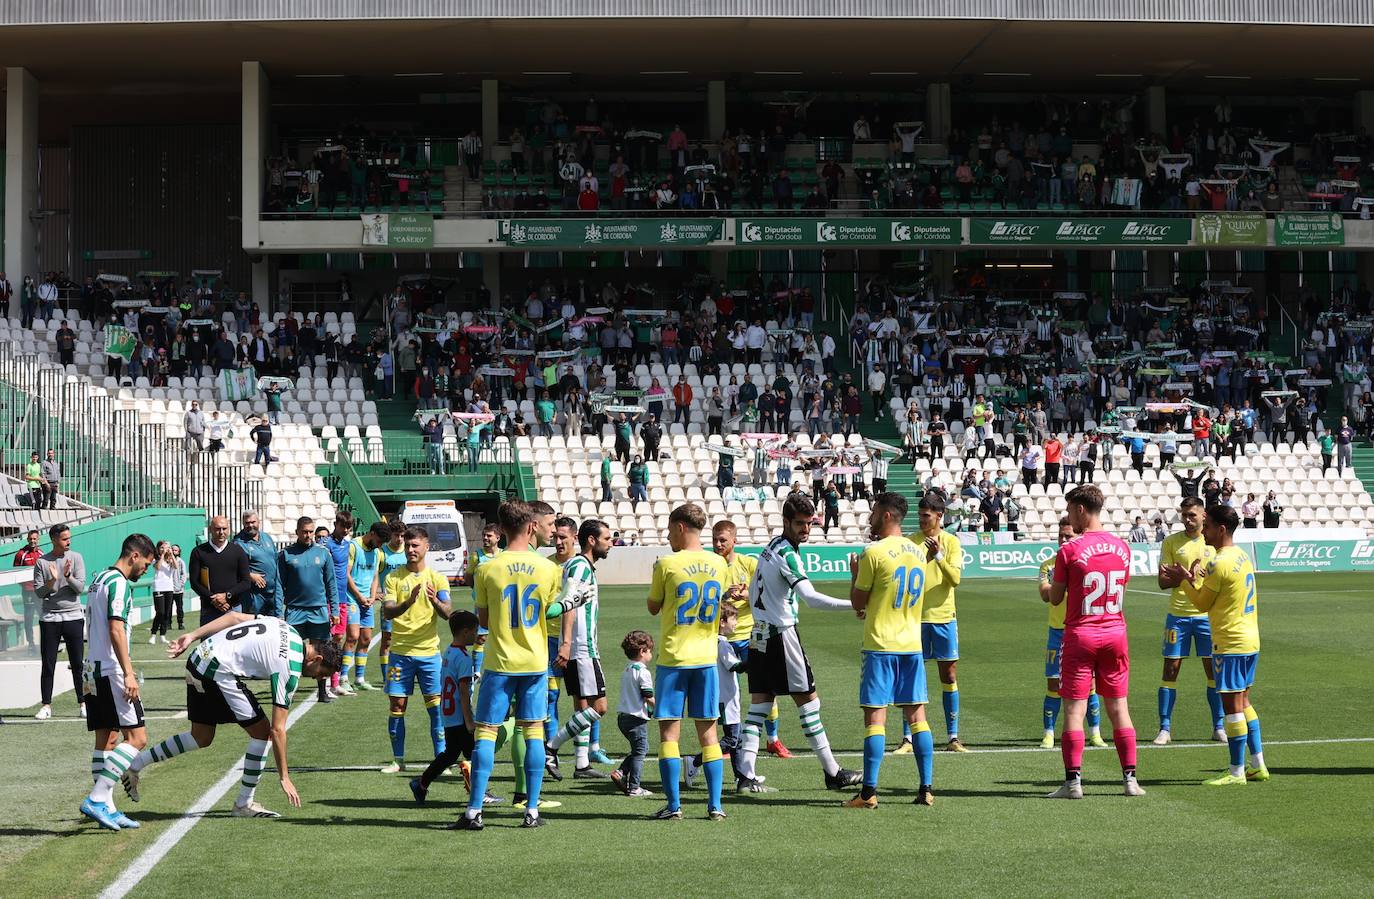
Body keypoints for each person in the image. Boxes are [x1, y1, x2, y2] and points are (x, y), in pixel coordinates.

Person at [119, 610, 343, 819]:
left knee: (201, 736)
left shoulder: (285, 626)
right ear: (317, 660)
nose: (318, 679)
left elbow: (235, 617)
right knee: (262, 733)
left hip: (199, 657)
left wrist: (192, 635)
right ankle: (244, 803)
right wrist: (284, 777)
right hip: (215, 670)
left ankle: (135, 765)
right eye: (321, 674)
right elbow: (278, 729)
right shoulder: (290, 667)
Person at [456, 501, 584, 830]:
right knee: (533, 732)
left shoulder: (487, 568)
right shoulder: (548, 569)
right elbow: (552, 611)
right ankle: (532, 811)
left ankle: (474, 811)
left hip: (499, 661)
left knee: (486, 733)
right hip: (534, 662)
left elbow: (483, 619)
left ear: (501, 530)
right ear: (529, 528)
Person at [732, 494, 861, 793]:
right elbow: (811, 598)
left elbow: (755, 591)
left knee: (760, 707)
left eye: (809, 524)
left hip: (759, 635)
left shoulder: (771, 547)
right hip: (781, 635)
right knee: (809, 702)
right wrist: (853, 606)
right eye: (800, 524)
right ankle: (833, 772)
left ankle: (745, 776)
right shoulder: (787, 554)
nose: (805, 530)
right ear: (786, 522)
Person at [1047, 485, 1144, 799]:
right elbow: (1122, 593)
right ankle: (1130, 780)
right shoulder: (1122, 547)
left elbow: (1056, 597)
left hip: (1081, 634)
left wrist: (1044, 585)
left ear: (1079, 509)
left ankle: (1073, 783)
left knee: (1074, 711)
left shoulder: (1069, 550)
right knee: (1119, 709)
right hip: (1115, 631)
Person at [1163, 503, 1267, 785]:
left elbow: (1200, 604)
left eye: (1207, 526)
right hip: (1250, 639)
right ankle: (1258, 764)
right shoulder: (1242, 556)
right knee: (1244, 702)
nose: (1204, 531)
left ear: (1221, 529)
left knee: (1232, 707)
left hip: (1230, 643)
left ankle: (1236, 772)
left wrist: (1183, 580)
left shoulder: (1218, 562)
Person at [845, 492, 935, 808]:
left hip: (881, 645)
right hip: (911, 645)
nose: (870, 515)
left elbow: (858, 602)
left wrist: (855, 575)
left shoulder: (874, 552)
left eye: (874, 510)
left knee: (875, 720)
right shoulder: (919, 552)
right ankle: (926, 788)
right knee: (918, 718)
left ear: (886, 515)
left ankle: (868, 793)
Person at [644, 503, 729, 822]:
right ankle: (715, 805)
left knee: (669, 735)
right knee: (709, 734)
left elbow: (653, 607)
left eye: (668, 530)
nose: (667, 536)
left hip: (674, 659)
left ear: (680, 527)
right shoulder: (718, 564)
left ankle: (674, 805)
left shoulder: (667, 564)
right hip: (706, 660)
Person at [77, 533, 156, 831]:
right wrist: (129, 672)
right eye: (146, 564)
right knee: (137, 738)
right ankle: (98, 799)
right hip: (111, 671)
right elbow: (116, 628)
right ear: (134, 556)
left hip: (91, 669)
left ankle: (106, 809)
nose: (145, 570)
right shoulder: (119, 582)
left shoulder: (99, 579)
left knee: (106, 740)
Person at [380, 525, 452, 775]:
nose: (410, 550)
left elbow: (448, 613)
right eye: (407, 545)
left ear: (426, 547)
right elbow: (387, 610)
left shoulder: (437, 578)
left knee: (436, 708)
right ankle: (398, 760)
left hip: (429, 654)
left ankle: (441, 761)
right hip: (400, 653)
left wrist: (435, 601)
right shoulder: (393, 578)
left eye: (415, 545)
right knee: (397, 706)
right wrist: (408, 602)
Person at [545, 519, 614, 779]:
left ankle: (582, 763)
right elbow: (568, 603)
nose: (611, 544)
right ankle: (551, 746)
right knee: (600, 707)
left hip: (582, 647)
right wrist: (566, 643)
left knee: (582, 705)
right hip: (582, 648)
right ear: (591, 540)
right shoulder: (580, 566)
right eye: (606, 539)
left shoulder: (582, 566)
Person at [1154, 497, 1226, 745]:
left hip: (1207, 616)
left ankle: (1218, 726)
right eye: (1184, 515)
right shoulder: (1172, 542)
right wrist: (1184, 577)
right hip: (1178, 617)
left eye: (1192, 515)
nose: (1187, 519)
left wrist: (1203, 576)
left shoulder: (1213, 542)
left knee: (1213, 672)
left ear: (1203, 515)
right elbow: (1163, 582)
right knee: (1170, 669)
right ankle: (1164, 728)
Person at [713, 520, 787, 758]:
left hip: (750, 635)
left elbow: (768, 591)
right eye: (715, 539)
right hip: (720, 639)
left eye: (723, 540)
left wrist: (748, 594)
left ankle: (773, 739)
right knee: (723, 694)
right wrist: (723, 596)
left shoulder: (750, 563)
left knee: (766, 689)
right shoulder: (710, 566)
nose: (718, 544)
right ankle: (728, 739)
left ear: (734, 540)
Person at [903, 496, 966, 753]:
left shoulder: (951, 542)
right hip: (914, 619)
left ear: (939, 516)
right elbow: (906, 576)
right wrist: (926, 558)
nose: (921, 519)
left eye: (926, 515)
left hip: (943, 617)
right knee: (911, 676)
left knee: (948, 675)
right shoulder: (910, 541)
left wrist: (938, 555)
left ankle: (953, 737)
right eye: (920, 515)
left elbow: (955, 579)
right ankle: (907, 738)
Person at [1039, 516, 1106, 749]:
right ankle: (1048, 733)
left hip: (1081, 630)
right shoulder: (1048, 565)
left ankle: (1095, 733)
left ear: (1077, 535)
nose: (1064, 540)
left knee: (1090, 685)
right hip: (1057, 633)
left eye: (1069, 536)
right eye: (1061, 536)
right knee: (1053, 684)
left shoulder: (1084, 563)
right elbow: (1046, 594)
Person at [409, 610, 480, 804]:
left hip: (448, 714)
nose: (477, 635)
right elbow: (464, 692)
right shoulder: (464, 658)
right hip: (459, 716)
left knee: (450, 754)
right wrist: (469, 721)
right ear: (465, 632)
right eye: (474, 631)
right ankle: (479, 793)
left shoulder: (449, 652)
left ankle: (421, 784)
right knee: (476, 754)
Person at [278, 517, 340, 704]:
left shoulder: (323, 553)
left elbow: (331, 584)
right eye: (304, 531)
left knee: (322, 652)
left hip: (318, 611)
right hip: (295, 611)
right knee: (290, 653)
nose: (308, 535)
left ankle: (322, 692)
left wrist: (335, 609)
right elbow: (279, 585)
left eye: (311, 531)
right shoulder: (285, 554)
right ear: (297, 532)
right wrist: (278, 613)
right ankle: (287, 690)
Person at [32, 524, 88, 720]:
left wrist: (67, 577)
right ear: (54, 539)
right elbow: (39, 593)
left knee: (77, 664)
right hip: (49, 619)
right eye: (65, 539)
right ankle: (46, 705)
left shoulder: (77, 557)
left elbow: (80, 588)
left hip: (73, 616)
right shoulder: (41, 562)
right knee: (48, 664)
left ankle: (83, 703)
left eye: (69, 538)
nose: (68, 541)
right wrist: (51, 582)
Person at [343, 521, 389, 693]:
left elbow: (375, 576)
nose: (380, 544)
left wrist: (371, 596)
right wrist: (360, 596)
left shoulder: (377, 552)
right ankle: (343, 676)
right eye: (379, 540)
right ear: (371, 533)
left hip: (366, 600)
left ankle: (360, 678)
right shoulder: (354, 546)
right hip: (352, 598)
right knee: (353, 636)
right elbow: (346, 574)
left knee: (366, 639)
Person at [611, 630, 656, 798]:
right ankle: (634, 787)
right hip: (636, 718)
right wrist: (658, 708)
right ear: (642, 651)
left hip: (623, 717)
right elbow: (647, 695)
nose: (651, 654)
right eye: (650, 650)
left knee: (640, 748)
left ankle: (621, 772)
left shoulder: (627, 669)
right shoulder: (643, 671)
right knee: (640, 752)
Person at [187, 516, 252, 626]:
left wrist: (227, 595)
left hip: (233, 608)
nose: (221, 532)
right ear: (210, 529)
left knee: (235, 643)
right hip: (209, 610)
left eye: (224, 529)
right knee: (209, 642)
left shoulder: (238, 551)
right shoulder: (198, 552)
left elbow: (246, 582)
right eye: (217, 529)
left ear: (229, 529)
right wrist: (214, 599)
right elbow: (194, 582)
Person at [323, 513, 355, 696]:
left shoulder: (348, 545)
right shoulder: (326, 545)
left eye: (348, 527)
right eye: (343, 526)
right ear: (335, 524)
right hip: (329, 599)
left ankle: (334, 683)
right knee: (327, 640)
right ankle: (325, 683)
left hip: (343, 599)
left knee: (338, 639)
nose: (345, 530)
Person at [234, 510, 282, 619]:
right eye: (247, 523)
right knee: (254, 626)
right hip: (254, 596)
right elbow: (233, 568)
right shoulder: (238, 543)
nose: (250, 525)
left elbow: (276, 559)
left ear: (259, 522)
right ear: (243, 524)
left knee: (273, 627)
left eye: (253, 522)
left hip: (273, 593)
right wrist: (250, 575)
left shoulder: (267, 537)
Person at [12, 529, 42, 649]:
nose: (32, 541)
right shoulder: (21, 554)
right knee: (29, 618)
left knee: (43, 616)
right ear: (27, 539)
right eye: (30, 539)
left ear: (38, 539)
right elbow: (15, 573)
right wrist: (25, 586)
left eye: (34, 539)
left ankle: (44, 642)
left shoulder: (41, 553)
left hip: (39, 591)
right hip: (28, 592)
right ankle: (31, 644)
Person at [150, 542, 179, 644]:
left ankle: (163, 635)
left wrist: (171, 555)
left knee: (167, 613)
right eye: (162, 547)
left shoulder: (171, 559)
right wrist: (162, 555)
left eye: (166, 547)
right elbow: (157, 567)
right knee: (160, 612)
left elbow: (176, 567)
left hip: (169, 589)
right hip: (158, 588)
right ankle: (153, 634)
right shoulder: (156, 559)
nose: (164, 549)